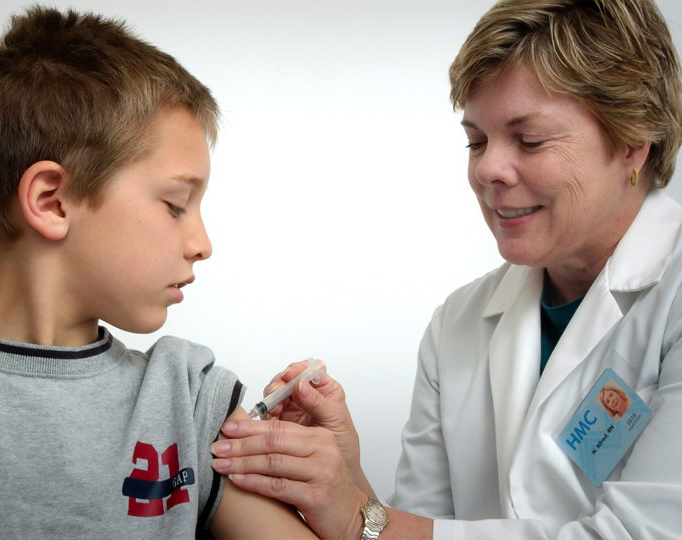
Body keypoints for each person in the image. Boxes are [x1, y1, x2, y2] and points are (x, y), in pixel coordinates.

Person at [211, 0, 682, 538]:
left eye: (529, 140)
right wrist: (345, 479)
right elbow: (410, 529)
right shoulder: (460, 322)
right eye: (476, 141)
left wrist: (349, 516)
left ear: (632, 143)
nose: (487, 169)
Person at [0, 6, 317, 539]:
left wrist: (350, 488)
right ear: (53, 201)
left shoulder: (186, 400)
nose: (203, 245)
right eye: (176, 204)